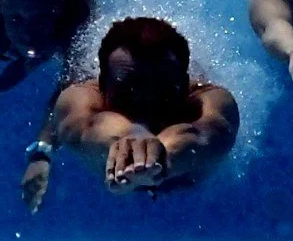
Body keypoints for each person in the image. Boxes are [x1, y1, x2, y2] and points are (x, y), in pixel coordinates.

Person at [28, 15, 237, 206]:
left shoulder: (210, 99)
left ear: (184, 84)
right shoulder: (80, 97)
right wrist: (41, 154)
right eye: (128, 89)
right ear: (102, 85)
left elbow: (202, 135)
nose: (146, 102)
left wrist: (160, 157)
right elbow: (90, 124)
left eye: (161, 88)